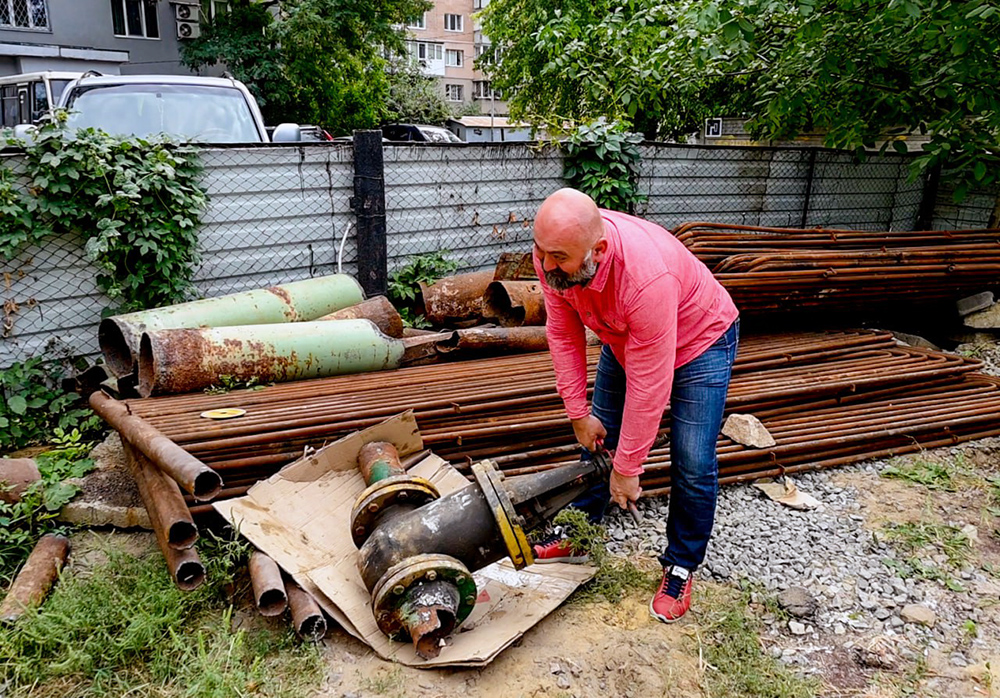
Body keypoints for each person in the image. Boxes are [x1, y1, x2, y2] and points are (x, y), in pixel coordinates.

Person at [530, 188, 739, 623]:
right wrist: (578, 413)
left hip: (701, 340)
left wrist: (628, 468)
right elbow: (563, 333)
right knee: (598, 437)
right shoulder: (552, 254)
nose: (546, 266)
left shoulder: (645, 279)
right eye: (541, 252)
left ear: (599, 251)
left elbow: (650, 384)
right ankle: (579, 533)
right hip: (624, 332)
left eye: (559, 258)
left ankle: (681, 564)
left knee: (692, 459)